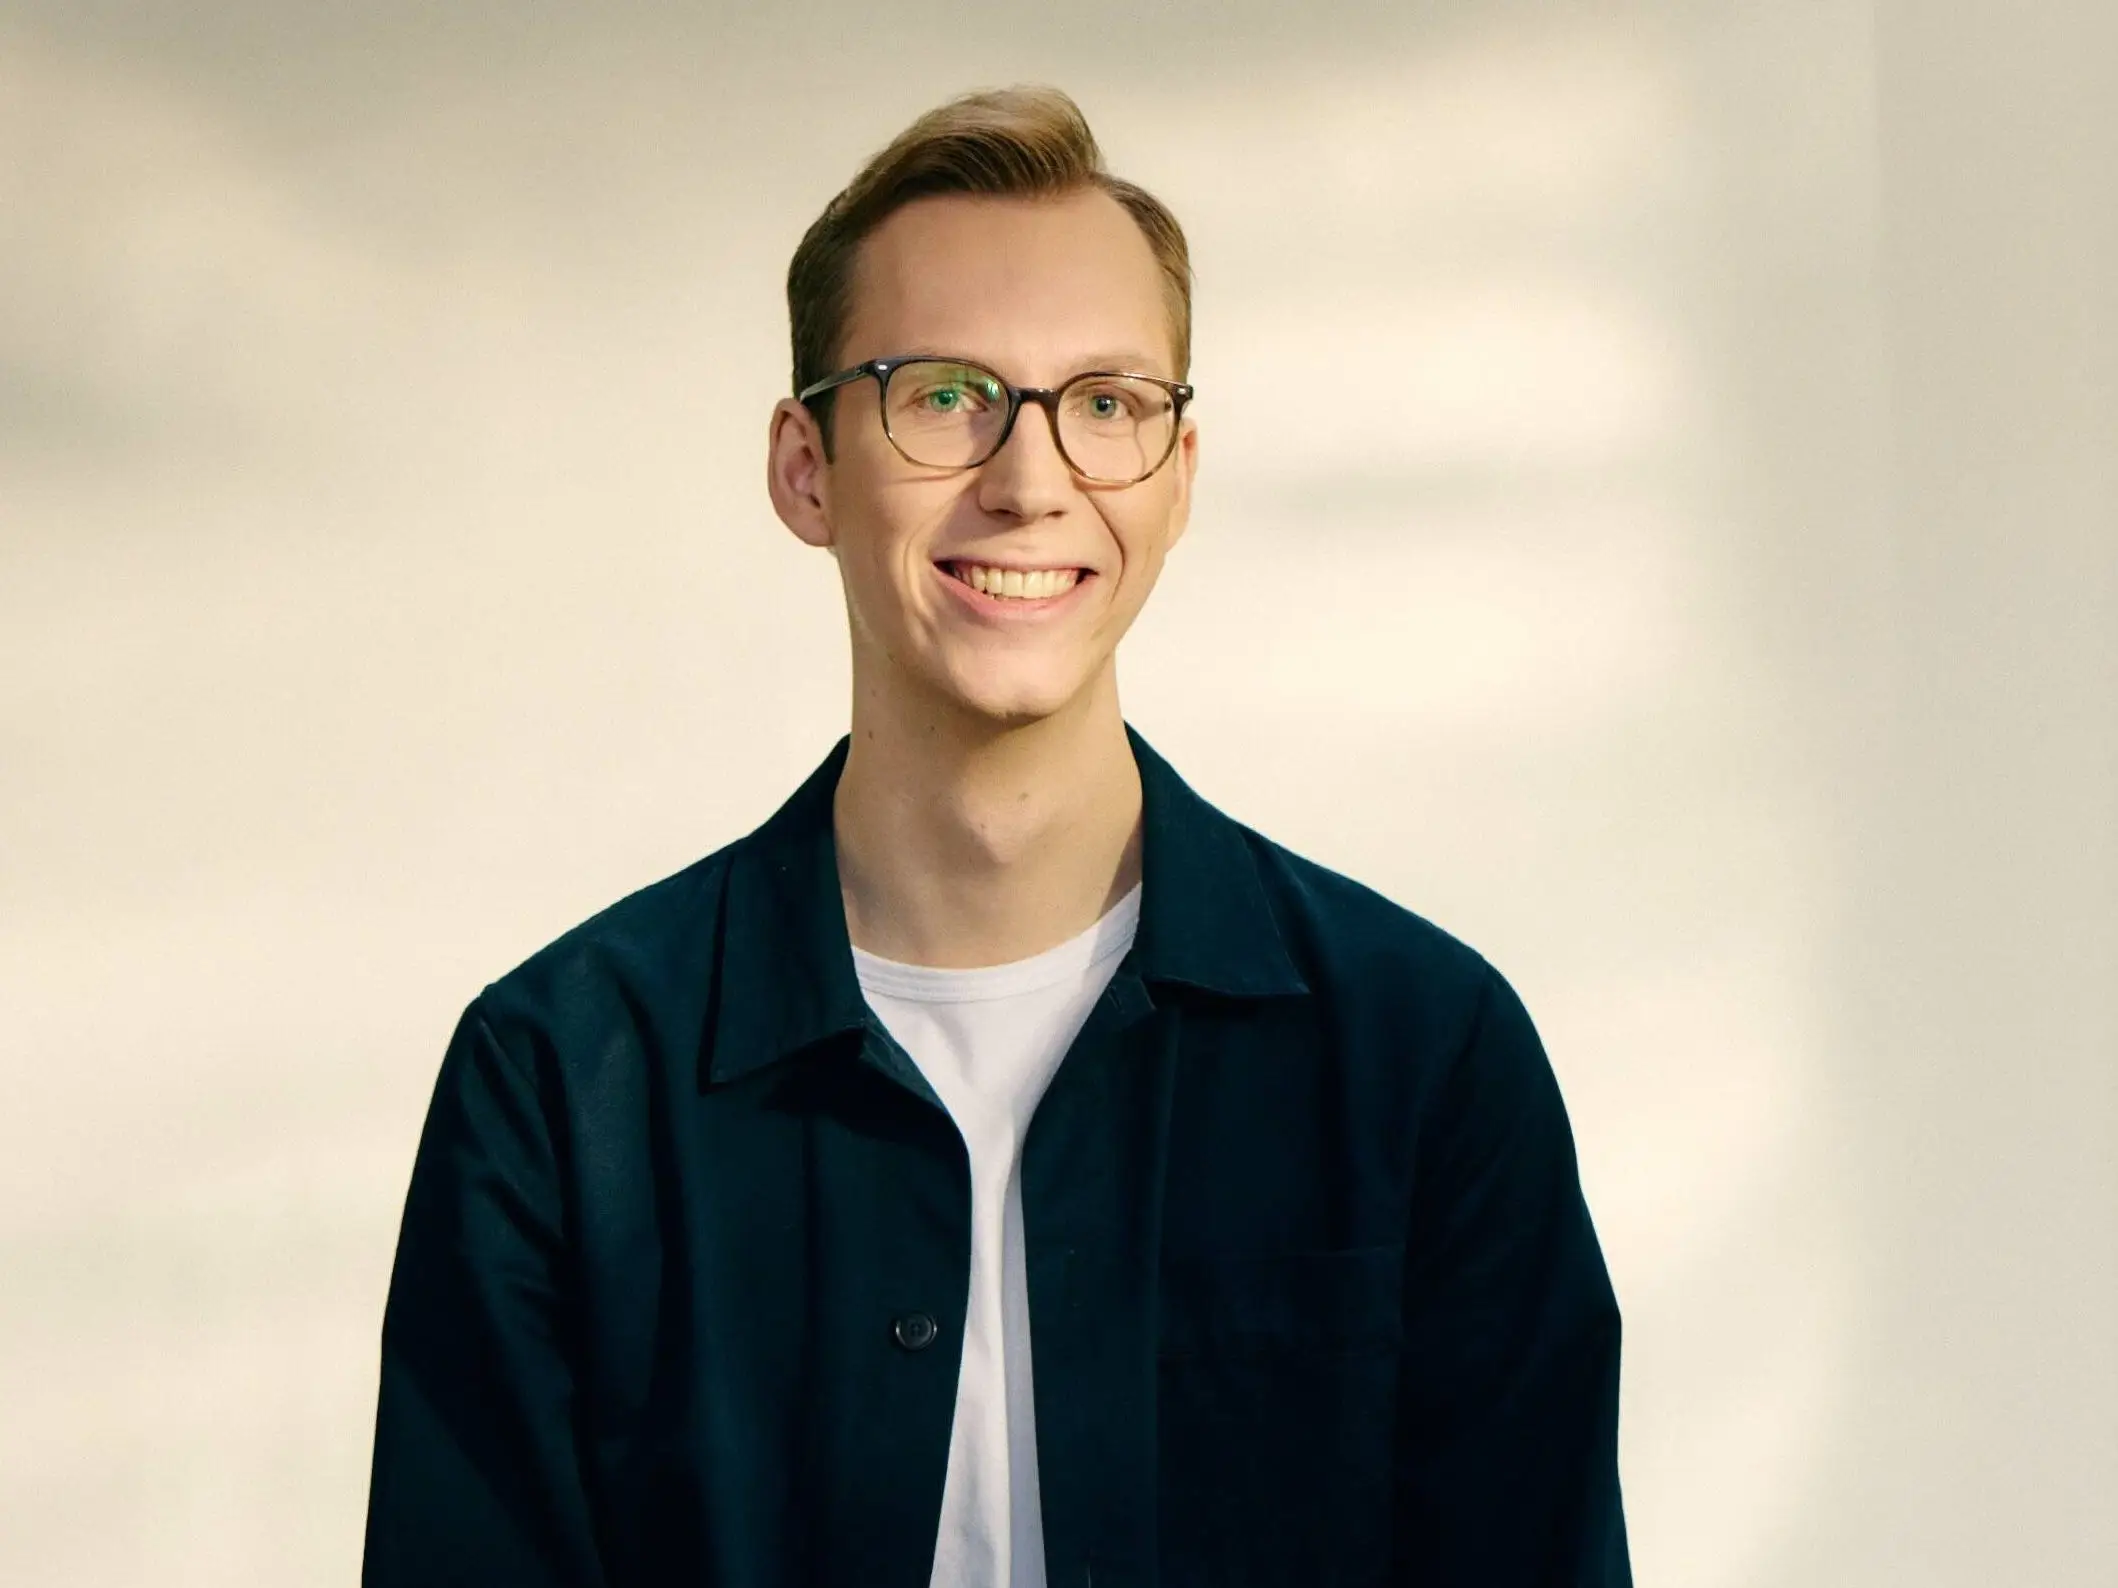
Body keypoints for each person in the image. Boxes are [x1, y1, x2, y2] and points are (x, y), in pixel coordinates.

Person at [362, 84, 1631, 1588]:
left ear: (1178, 477)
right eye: (945, 395)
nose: (1030, 484)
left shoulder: (1425, 1057)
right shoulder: (560, 1088)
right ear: (806, 469)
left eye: (1106, 404)